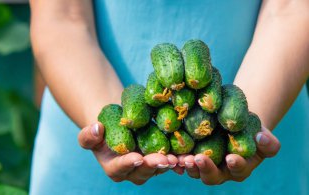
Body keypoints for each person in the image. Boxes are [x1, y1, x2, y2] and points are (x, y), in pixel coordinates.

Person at [29, 0, 309, 194]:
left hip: (267, 110)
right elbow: (62, 16)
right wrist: (110, 126)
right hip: (86, 144)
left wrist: (243, 125)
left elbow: (292, 8)